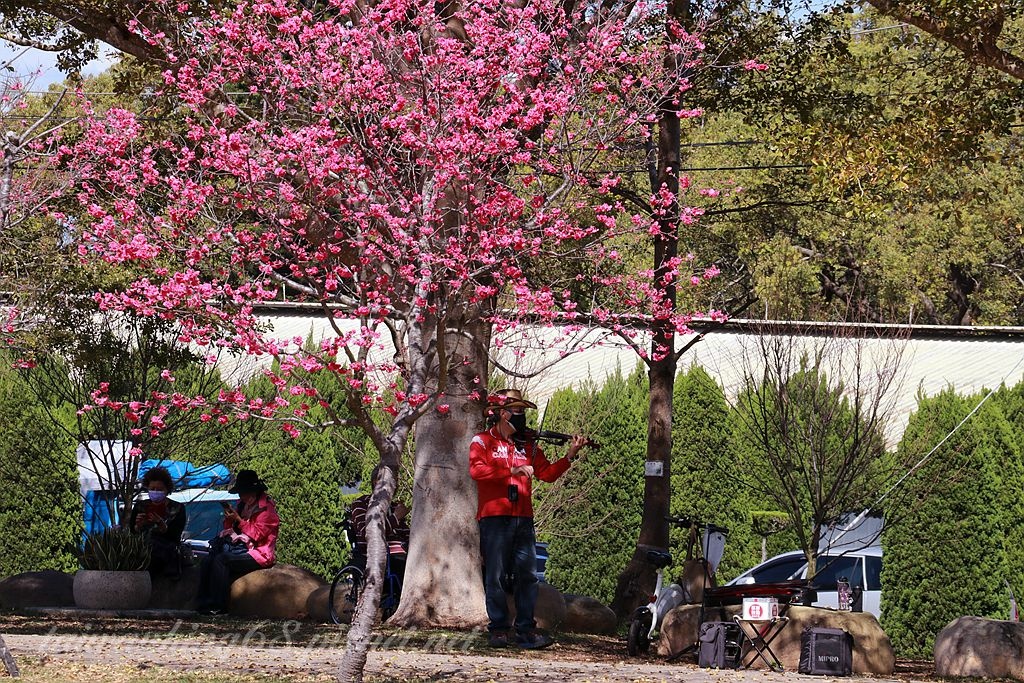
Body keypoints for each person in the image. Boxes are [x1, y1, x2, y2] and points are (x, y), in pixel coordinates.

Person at [469, 388, 587, 649]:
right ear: (501, 413)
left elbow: (546, 475)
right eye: (517, 411)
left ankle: (526, 630)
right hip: (494, 518)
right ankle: (498, 629)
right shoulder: (482, 441)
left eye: (523, 411)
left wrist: (569, 455)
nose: (521, 416)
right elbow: (477, 471)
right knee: (496, 575)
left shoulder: (529, 445)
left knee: (528, 576)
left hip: (523, 518)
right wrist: (511, 469)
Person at [196, 469, 280, 616]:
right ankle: (202, 602)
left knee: (222, 561)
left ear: (252, 492)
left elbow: (257, 535)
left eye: (242, 492)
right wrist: (230, 519)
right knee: (208, 560)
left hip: (259, 554)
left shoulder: (267, 510)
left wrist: (239, 521)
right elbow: (232, 529)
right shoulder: (242, 505)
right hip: (240, 547)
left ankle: (219, 606)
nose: (240, 496)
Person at [349, 465, 410, 581]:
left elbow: (407, 536)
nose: (394, 486)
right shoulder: (361, 504)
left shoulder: (395, 506)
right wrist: (396, 518)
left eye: (395, 482)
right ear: (375, 482)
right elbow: (368, 535)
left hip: (405, 555)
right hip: (380, 556)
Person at [129, 466, 187, 578]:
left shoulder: (177, 508)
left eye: (160, 489)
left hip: (164, 552)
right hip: (140, 549)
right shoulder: (140, 506)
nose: (155, 492)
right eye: (152, 488)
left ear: (167, 490)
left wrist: (161, 524)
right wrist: (138, 526)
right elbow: (131, 531)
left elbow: (175, 536)